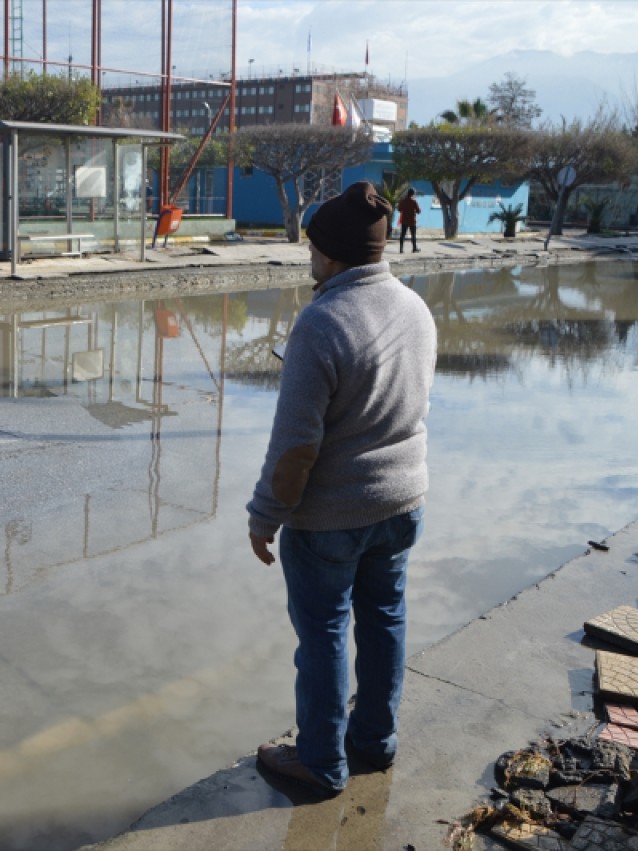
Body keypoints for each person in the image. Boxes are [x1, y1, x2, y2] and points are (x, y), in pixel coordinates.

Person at [247, 181, 437, 797]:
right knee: (384, 621)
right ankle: (374, 745)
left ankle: (321, 763)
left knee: (323, 634)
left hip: (332, 515)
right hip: (404, 501)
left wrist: (265, 514)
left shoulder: (322, 321)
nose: (309, 258)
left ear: (329, 254)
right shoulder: (415, 307)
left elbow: (296, 444)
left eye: (313, 248)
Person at [397, 188, 421, 253]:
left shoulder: (403, 201)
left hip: (404, 220)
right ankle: (414, 248)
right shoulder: (414, 201)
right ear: (412, 194)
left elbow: (399, 209)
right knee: (413, 235)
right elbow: (419, 211)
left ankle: (401, 249)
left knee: (402, 235)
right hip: (412, 221)